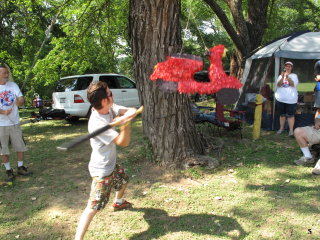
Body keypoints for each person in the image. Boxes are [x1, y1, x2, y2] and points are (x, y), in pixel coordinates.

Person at [75, 81, 137, 240]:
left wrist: (129, 111)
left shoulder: (106, 107)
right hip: (102, 171)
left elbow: (120, 109)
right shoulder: (97, 124)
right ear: (104, 101)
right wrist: (125, 125)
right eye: (110, 94)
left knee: (123, 179)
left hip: (111, 165)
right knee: (92, 207)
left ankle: (118, 202)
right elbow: (124, 142)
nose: (112, 95)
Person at [0, 64, 29, 182]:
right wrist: (3, 111)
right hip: (1, 124)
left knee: (19, 146)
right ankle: (8, 170)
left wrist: (21, 100)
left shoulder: (13, 85)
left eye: (7, 73)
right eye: (4, 73)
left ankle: (20, 167)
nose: (7, 75)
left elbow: (21, 100)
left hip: (15, 122)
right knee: (3, 149)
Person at [275, 61, 299, 136]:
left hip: (291, 99)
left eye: (289, 66)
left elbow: (292, 85)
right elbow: (278, 85)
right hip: (281, 98)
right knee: (282, 115)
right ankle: (281, 128)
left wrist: (288, 77)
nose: (288, 67)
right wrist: (282, 78)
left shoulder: (294, 76)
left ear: (292, 68)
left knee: (291, 115)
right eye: (286, 66)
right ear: (284, 67)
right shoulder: (280, 76)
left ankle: (291, 131)